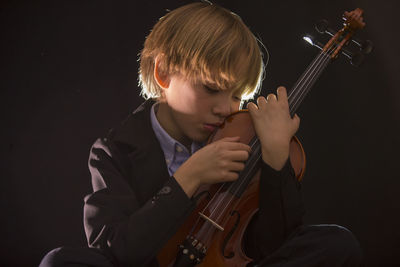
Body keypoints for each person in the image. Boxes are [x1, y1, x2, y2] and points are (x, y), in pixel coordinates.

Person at [40, 2, 363, 266]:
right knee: (61, 261)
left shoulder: (244, 137)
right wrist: (188, 177)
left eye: (238, 96)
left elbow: (273, 244)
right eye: (212, 89)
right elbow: (117, 251)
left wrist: (276, 157)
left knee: (335, 242)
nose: (227, 108)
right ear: (164, 73)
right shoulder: (113, 150)